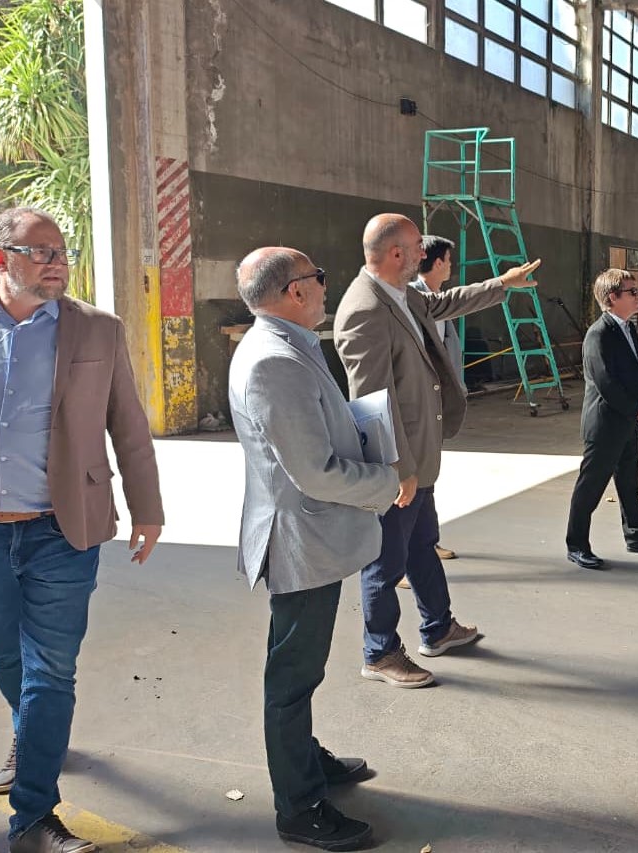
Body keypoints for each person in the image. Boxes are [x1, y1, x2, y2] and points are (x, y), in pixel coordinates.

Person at [0, 206, 164, 853]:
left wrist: (148, 507)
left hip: (61, 529)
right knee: (3, 654)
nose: (57, 262)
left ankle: (32, 816)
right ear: (0, 259)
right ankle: (34, 735)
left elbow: (128, 423)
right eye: (40, 251)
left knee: (50, 670)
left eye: (61, 251)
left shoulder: (97, 329)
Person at [230, 247, 399, 850]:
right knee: (293, 676)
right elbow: (314, 472)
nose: (327, 287)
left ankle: (306, 760)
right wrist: (386, 483)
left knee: (300, 668)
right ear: (295, 291)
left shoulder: (289, 344)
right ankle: (299, 807)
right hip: (300, 538)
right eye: (318, 278)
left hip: (311, 533)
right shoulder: (275, 361)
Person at [333, 213, 541, 688]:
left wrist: (502, 283)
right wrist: (398, 469)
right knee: (385, 562)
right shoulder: (365, 310)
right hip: (400, 462)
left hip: (421, 455)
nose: (423, 255)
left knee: (422, 544)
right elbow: (370, 404)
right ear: (395, 254)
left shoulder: (402, 295)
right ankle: (379, 653)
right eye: (416, 249)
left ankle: (438, 628)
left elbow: (444, 303)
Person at [564, 269, 638, 569]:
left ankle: (636, 534)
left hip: (627, 422)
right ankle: (577, 544)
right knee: (591, 486)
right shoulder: (598, 334)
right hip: (605, 424)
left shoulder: (628, 328)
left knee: (628, 482)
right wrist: (635, 409)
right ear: (612, 297)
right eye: (632, 292)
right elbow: (605, 382)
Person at [410, 235, 460, 563]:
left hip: (436, 400)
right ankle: (401, 558)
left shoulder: (436, 299)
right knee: (412, 480)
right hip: (418, 404)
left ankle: (427, 543)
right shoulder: (412, 299)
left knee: (427, 477)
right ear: (438, 262)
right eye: (449, 260)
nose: (451, 266)